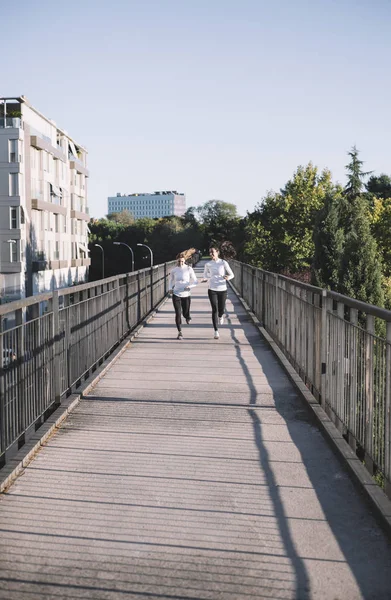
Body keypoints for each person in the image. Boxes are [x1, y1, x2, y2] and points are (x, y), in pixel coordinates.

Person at [202, 246, 234, 339]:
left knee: (221, 308)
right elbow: (205, 274)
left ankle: (221, 316)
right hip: (212, 289)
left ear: (217, 252)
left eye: (213, 252)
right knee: (214, 309)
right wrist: (205, 278)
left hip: (222, 289)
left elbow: (232, 274)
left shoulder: (223, 263)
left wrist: (228, 277)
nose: (211, 254)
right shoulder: (208, 264)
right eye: (210, 252)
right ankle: (216, 331)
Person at [169, 250, 198, 340]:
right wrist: (170, 288)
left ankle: (187, 317)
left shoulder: (189, 269)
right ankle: (179, 332)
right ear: (177, 261)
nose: (180, 263)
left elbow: (195, 281)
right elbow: (170, 280)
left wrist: (190, 286)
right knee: (178, 313)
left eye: (182, 261)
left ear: (184, 261)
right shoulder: (174, 270)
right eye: (179, 261)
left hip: (186, 294)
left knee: (185, 312)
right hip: (176, 293)